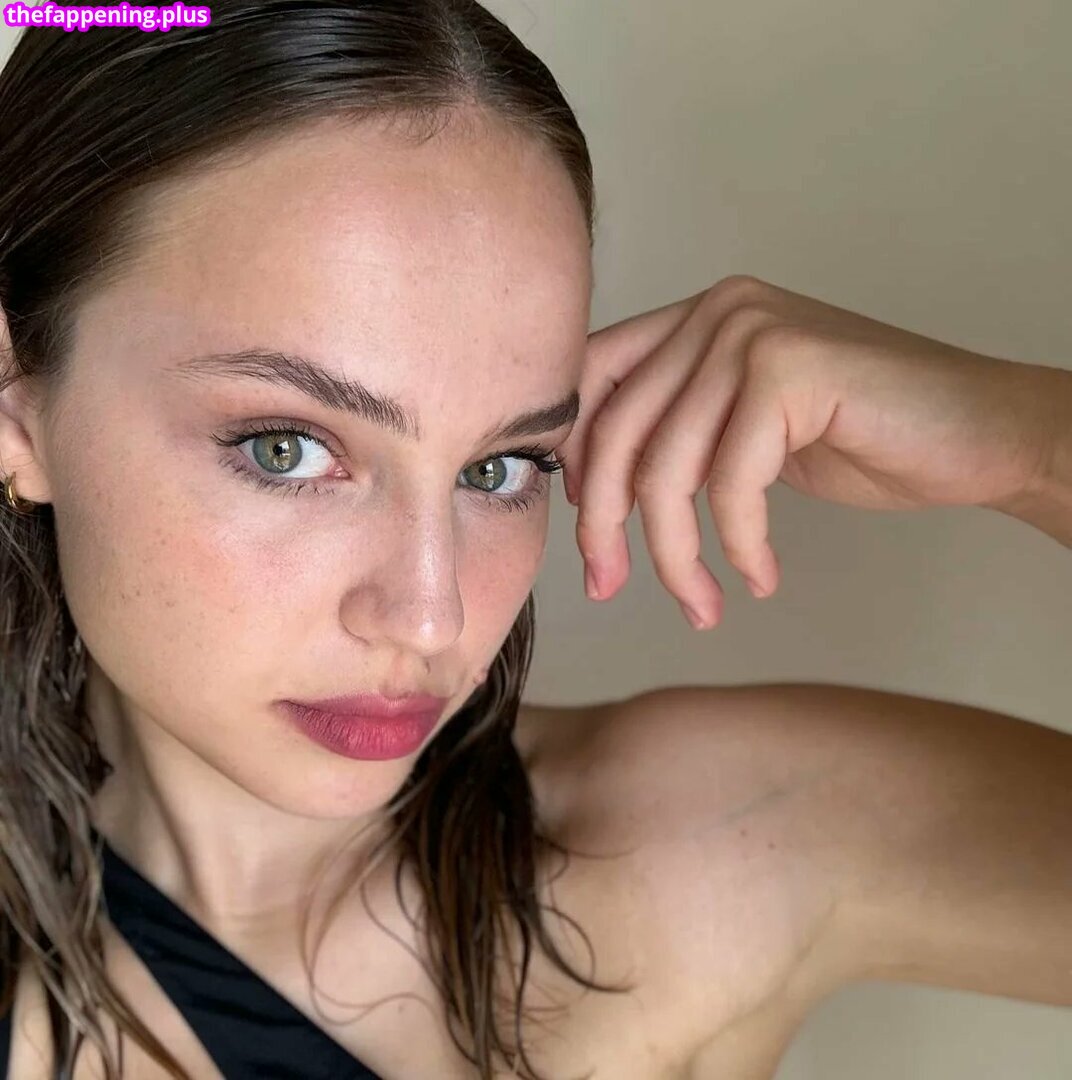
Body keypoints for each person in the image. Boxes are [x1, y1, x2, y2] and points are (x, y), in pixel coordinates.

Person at [0, 1, 1068, 1078]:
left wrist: (1026, 445)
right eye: (288, 450)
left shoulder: (705, 850)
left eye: (500, 468)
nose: (431, 616)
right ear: (15, 401)